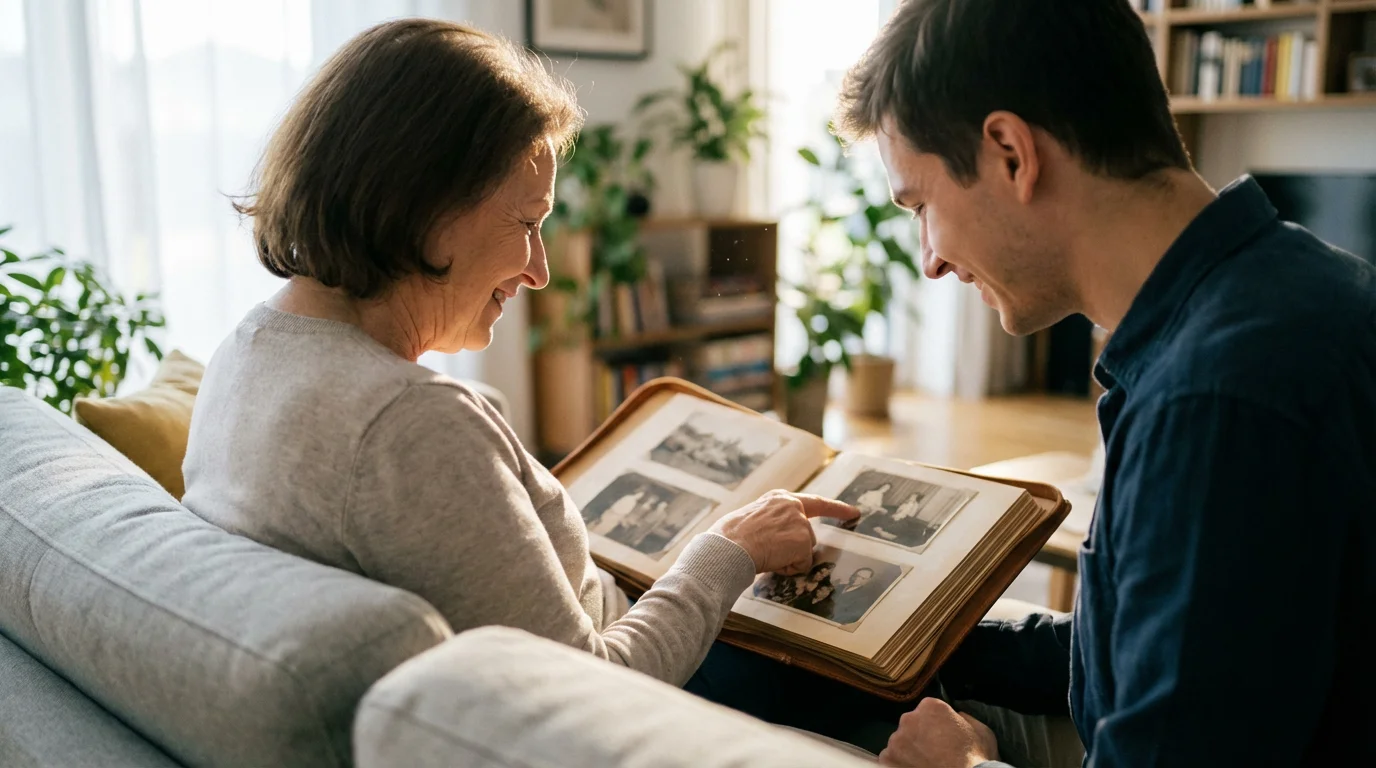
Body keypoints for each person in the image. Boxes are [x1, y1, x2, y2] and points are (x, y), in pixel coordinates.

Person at [182, 17, 859, 706]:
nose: (539, 271)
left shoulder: (245, 352)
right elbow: (592, 694)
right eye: (528, 223)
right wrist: (728, 550)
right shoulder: (410, 426)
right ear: (426, 202)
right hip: (668, 693)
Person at [833, 0, 1376, 766]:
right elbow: (1157, 653)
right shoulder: (1283, 289)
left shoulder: (1216, 401)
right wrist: (895, 621)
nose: (930, 258)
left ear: (1011, 154)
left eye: (922, 206)